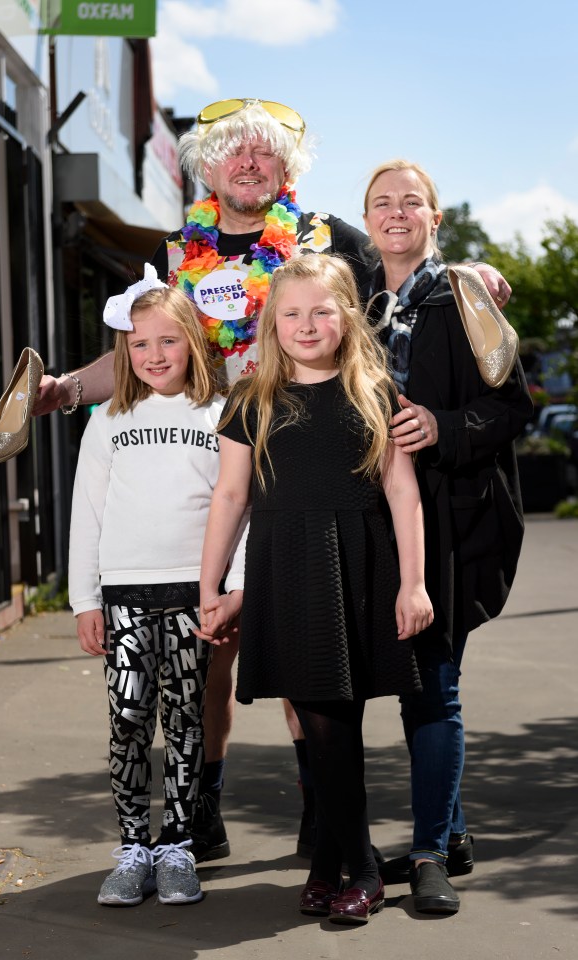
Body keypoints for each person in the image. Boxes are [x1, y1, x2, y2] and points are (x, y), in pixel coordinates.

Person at [34, 98, 511, 863]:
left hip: (311, 467)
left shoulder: (324, 237)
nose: (249, 164)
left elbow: (403, 264)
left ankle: (320, 816)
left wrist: (468, 272)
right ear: (208, 168)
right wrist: (66, 389)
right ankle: (206, 810)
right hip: (214, 468)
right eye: (234, 153)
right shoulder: (174, 250)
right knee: (210, 655)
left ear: (287, 169)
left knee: (307, 654)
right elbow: (138, 351)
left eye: (264, 154)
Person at [196, 252, 433, 924]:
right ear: (273, 324)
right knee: (321, 721)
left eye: (321, 312)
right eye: (292, 314)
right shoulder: (252, 399)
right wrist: (209, 583)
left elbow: (402, 492)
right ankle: (348, 863)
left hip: (359, 564)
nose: (306, 325)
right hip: (286, 568)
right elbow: (231, 495)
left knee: (339, 723)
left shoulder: (374, 391)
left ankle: (344, 865)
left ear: (347, 318)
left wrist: (412, 585)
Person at [359, 159, 533, 914]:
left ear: (435, 217)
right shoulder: (358, 308)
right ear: (365, 221)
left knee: (432, 687)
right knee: (413, 685)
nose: (396, 213)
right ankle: (451, 833)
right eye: (381, 203)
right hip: (378, 519)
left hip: (454, 520)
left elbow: (513, 408)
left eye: (411, 202)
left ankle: (430, 850)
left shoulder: (464, 298)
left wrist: (443, 425)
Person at [68, 265, 246, 907]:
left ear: (194, 342)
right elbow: (86, 511)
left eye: (168, 341)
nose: (153, 355)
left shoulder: (221, 411)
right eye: (140, 344)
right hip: (123, 596)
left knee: (185, 718)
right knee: (127, 719)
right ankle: (133, 847)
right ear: (124, 350)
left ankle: (177, 846)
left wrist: (235, 587)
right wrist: (85, 598)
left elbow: (243, 505)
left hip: (193, 594)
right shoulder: (108, 418)